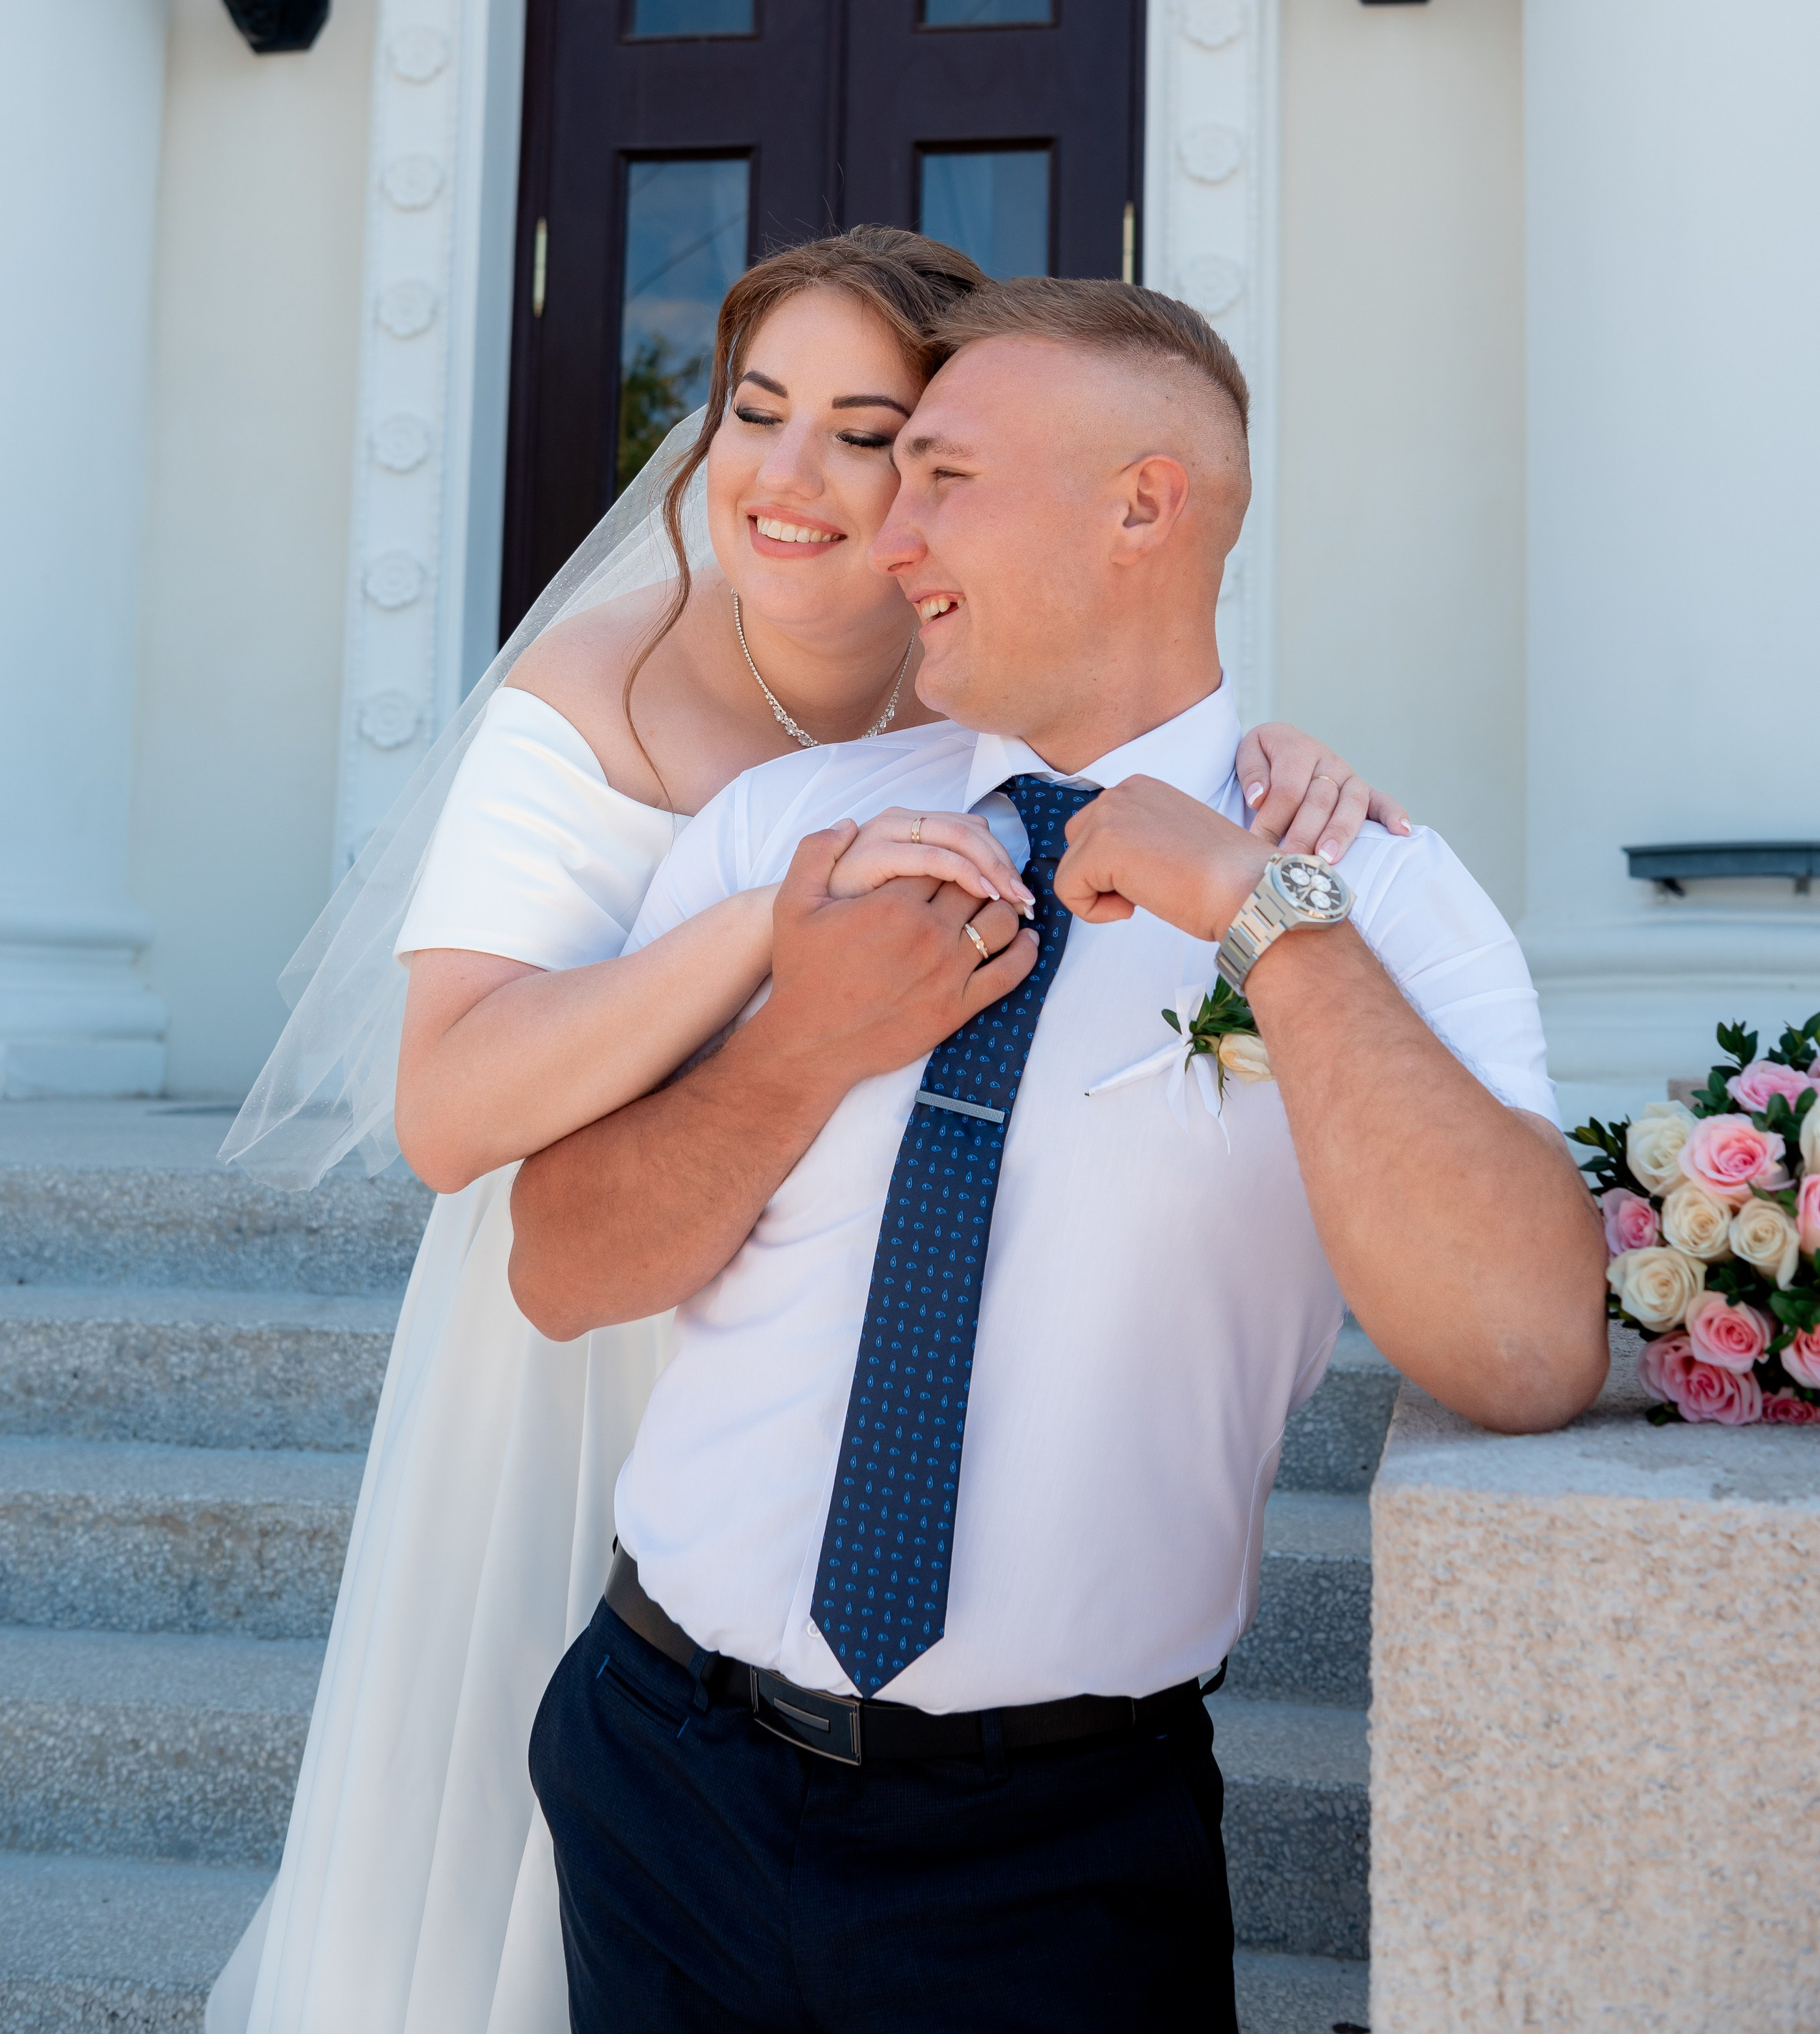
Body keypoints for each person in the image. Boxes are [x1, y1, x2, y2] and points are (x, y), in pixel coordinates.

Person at [206, 231, 1403, 2034]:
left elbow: (1145, 719)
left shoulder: (992, 689)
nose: (785, 475)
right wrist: (769, 928)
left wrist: (1271, 767)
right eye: (752, 410)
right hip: (593, 1325)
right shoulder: (596, 690)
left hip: (862, 1362)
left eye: (867, 436)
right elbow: (445, 1114)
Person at [511, 274, 1610, 2034]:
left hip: (1052, 1861)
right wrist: (806, 1038)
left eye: (941, 475)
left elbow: (1526, 1347)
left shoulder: (1378, 896)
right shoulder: (779, 835)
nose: (887, 534)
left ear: (1140, 506)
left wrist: (1263, 915)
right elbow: (559, 1268)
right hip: (660, 1774)